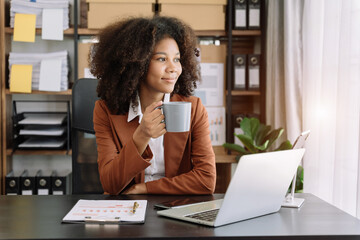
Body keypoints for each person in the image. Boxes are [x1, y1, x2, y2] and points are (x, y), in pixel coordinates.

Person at [91, 16, 216, 195]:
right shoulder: (106, 111)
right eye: (161, 59)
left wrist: (145, 188)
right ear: (137, 64)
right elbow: (110, 185)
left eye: (177, 59)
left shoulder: (193, 109)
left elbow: (206, 181)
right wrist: (141, 136)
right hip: (128, 210)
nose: (173, 68)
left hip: (174, 209)